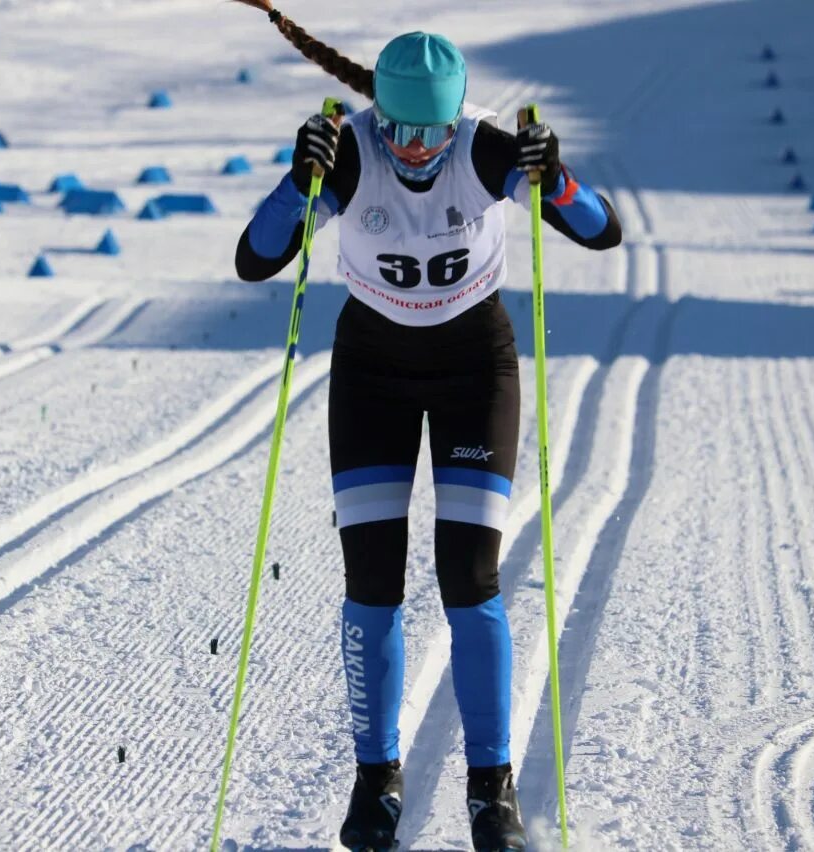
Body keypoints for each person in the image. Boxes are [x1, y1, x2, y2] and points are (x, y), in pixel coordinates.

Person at [233, 6, 621, 850]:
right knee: (371, 583)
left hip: (473, 371)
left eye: (430, 130)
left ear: (456, 117)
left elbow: (600, 230)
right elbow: (256, 256)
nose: (413, 147)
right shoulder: (355, 151)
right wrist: (298, 179)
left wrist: (553, 179)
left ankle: (492, 788)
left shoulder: (482, 149)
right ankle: (377, 780)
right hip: (371, 372)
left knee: (469, 577)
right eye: (398, 127)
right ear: (377, 112)